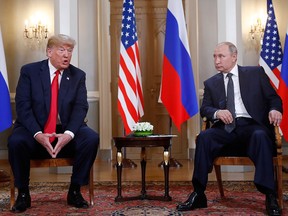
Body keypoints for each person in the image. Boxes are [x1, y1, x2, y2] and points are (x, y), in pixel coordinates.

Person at [176, 42, 282, 216]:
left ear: (234, 57)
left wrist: (274, 109)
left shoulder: (255, 74)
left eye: (221, 56)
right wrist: (217, 113)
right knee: (204, 137)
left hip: (251, 127)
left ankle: (270, 195)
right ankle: (199, 193)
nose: (217, 61)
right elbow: (205, 109)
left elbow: (274, 98)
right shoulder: (211, 83)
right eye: (214, 56)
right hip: (225, 131)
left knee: (261, 135)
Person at [8, 34, 99, 213]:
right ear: (49, 52)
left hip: (64, 132)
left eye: (70, 50)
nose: (67, 55)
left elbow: (80, 108)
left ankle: (75, 191)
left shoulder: (78, 75)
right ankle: (23, 194)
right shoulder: (29, 71)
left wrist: (69, 134)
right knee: (15, 141)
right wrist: (38, 134)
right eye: (61, 50)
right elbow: (23, 106)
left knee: (91, 138)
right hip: (34, 130)